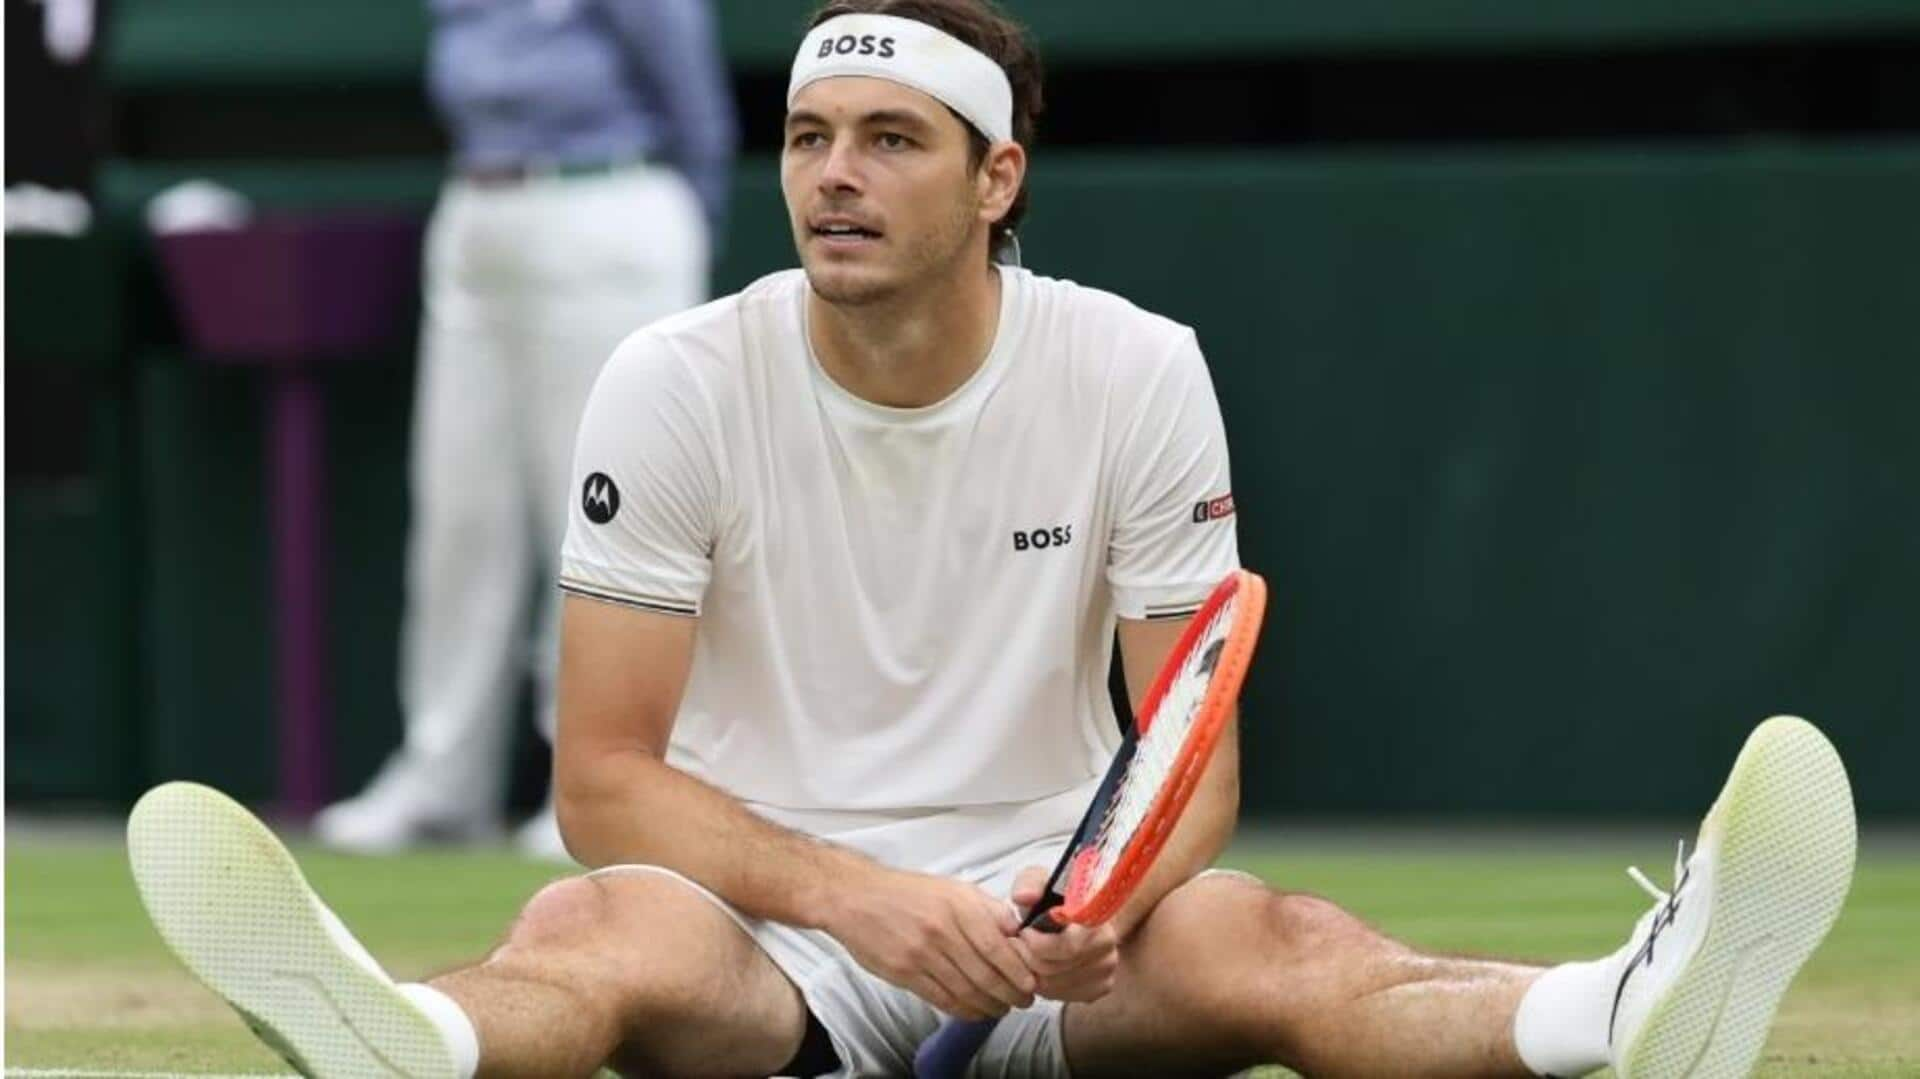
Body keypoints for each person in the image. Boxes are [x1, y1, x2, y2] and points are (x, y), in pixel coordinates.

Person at [129, 1, 1858, 1076]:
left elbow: (1194, 744)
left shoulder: (1137, 367)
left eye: (891, 140)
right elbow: (603, 772)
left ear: (998, 176)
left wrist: (1102, 904)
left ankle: (1616, 1015)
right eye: (811, 136)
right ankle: (402, 1040)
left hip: (1057, 929)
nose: (835, 175)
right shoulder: (672, 376)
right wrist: (867, 901)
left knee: (1283, 942)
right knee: (587, 935)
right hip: (768, 941)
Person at [314, 0, 738, 859]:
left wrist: (682, 223)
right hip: (476, 209)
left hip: (607, 208)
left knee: (595, 510)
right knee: (459, 512)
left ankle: (591, 781)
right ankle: (441, 776)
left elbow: (694, 103)